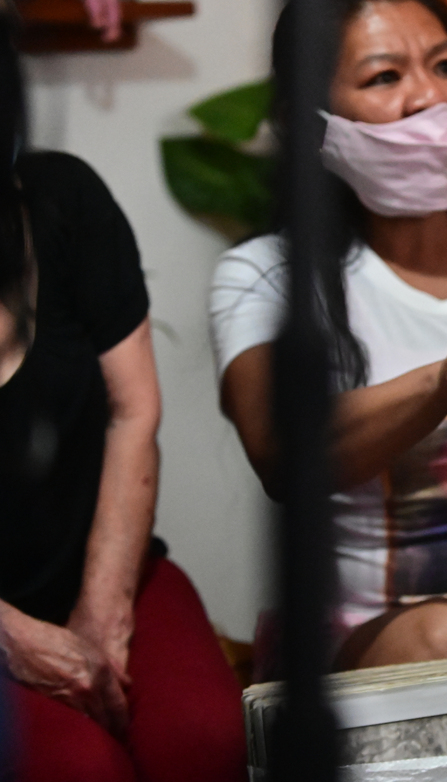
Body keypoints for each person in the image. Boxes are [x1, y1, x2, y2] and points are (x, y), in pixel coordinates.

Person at [209, 0, 447, 674]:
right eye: (384, 76)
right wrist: (443, 380)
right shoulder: (269, 277)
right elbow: (285, 456)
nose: (429, 97)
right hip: (373, 633)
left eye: (446, 66)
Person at [0, 10, 245, 782]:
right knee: (79, 769)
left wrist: (102, 618)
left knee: (204, 739)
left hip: (103, 573)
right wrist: (15, 640)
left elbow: (133, 410)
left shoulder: (62, 198)